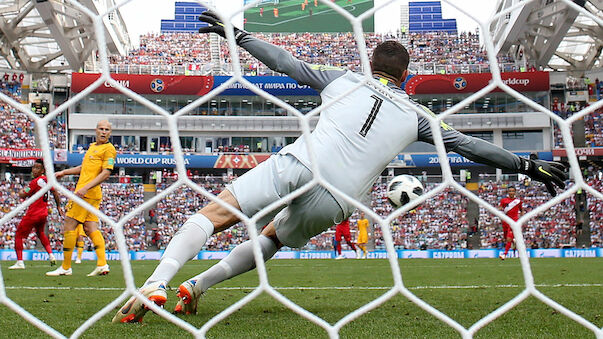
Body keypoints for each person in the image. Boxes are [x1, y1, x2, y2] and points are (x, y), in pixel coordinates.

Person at [113, 11, 567, 323]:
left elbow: (286, 62)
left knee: (217, 214)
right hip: (340, 199)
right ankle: (199, 286)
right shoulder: (417, 116)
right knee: (271, 236)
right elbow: (470, 147)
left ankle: (156, 284)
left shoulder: (343, 79)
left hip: (301, 162)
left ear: (371, 65)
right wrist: (526, 164)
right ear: (407, 77)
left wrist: (240, 36)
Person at [47, 120, 116, 277]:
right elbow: (83, 168)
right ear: (96, 130)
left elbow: (106, 172)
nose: (104, 132)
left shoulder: (109, 149)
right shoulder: (93, 147)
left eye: (107, 129)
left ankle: (65, 267)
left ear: (110, 133)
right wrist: (64, 173)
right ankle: (102, 264)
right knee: (90, 228)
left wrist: (85, 187)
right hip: (90, 194)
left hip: (86, 194)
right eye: (101, 129)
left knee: (69, 225)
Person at [9, 159, 63, 269]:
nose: (34, 170)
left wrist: (21, 192)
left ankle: (20, 262)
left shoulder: (35, 182)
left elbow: (22, 195)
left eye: (37, 168)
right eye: (33, 167)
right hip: (43, 213)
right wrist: (58, 206)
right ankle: (51, 255)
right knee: (41, 233)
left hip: (33, 213)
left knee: (19, 235)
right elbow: (55, 193)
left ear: (43, 170)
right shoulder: (47, 180)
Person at [499, 186, 522, 260]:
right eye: (510, 191)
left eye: (512, 191)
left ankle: (504, 254)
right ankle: (513, 242)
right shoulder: (504, 200)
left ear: (515, 192)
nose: (511, 192)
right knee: (506, 238)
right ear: (508, 192)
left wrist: (520, 219)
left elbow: (521, 210)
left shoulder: (518, 201)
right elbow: (500, 208)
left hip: (513, 222)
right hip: (505, 221)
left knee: (508, 238)